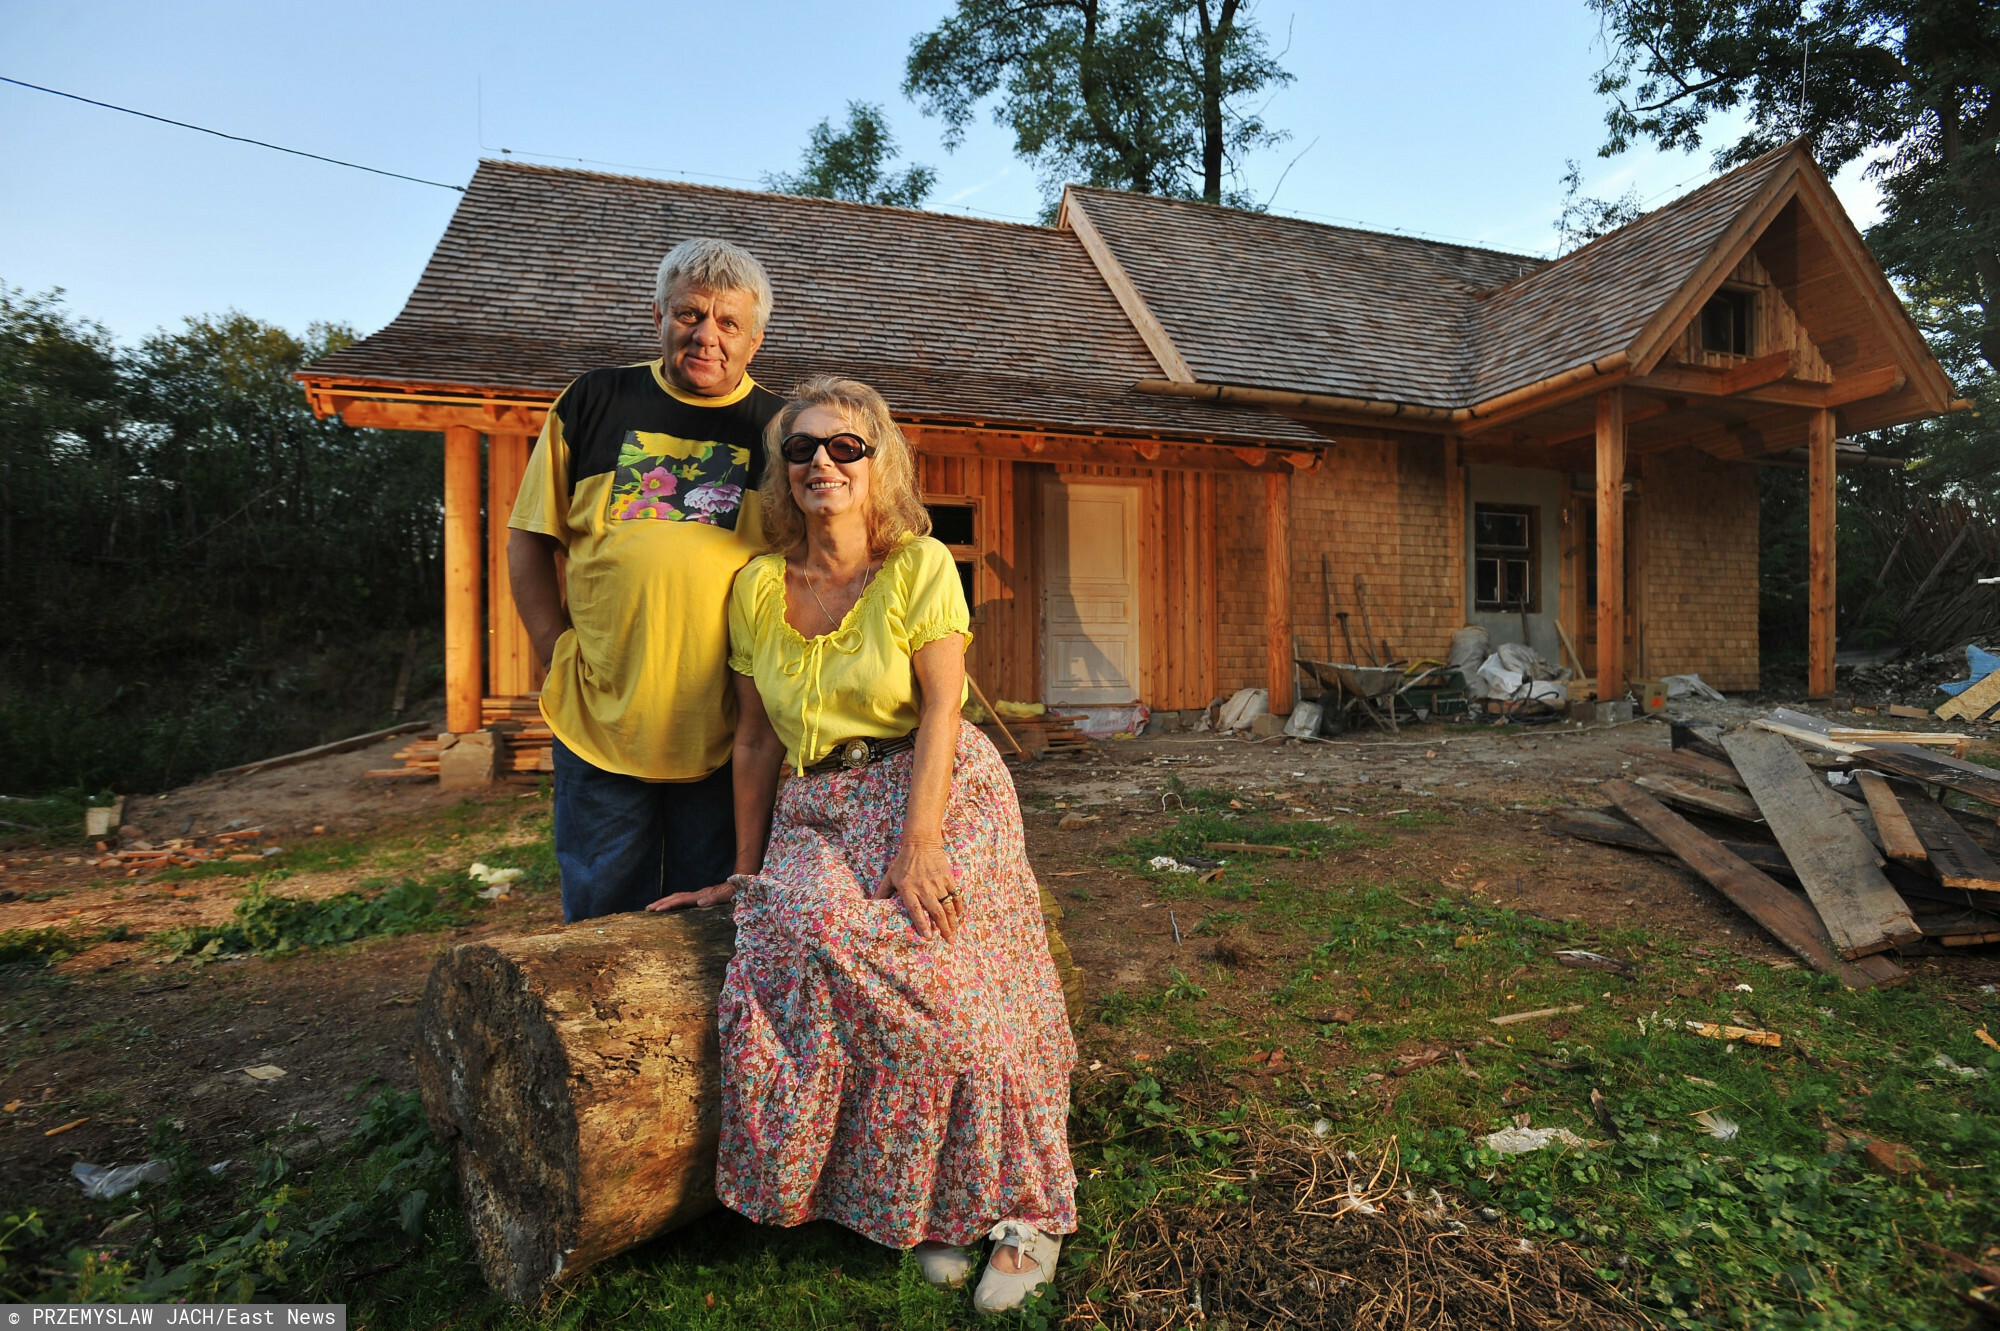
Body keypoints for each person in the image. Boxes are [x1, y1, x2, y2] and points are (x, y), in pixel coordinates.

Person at [648, 376, 1076, 1313]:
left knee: (955, 982)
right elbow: (756, 740)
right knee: (796, 929)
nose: (821, 464)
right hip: (821, 802)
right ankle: (922, 1199)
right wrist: (746, 873)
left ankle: (1021, 1207)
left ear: (878, 464)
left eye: (845, 447)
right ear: (782, 470)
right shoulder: (758, 587)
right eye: (801, 449)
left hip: (935, 786)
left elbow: (942, 707)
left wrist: (921, 841)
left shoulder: (917, 562)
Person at [508, 238, 782, 922]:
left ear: (756, 338)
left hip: (727, 734)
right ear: (657, 312)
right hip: (601, 723)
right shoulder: (595, 400)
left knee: (713, 929)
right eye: (690, 314)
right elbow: (529, 538)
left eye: (728, 323)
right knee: (602, 929)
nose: (706, 336)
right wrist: (554, 649)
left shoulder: (780, 431)